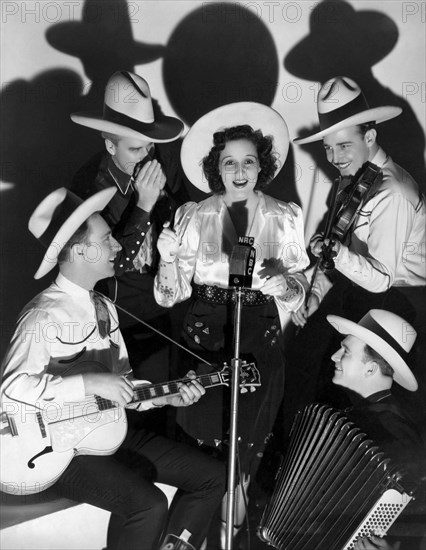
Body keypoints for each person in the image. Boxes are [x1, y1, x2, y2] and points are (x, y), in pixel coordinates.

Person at [0, 187, 225, 550]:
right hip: (55, 452)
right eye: (106, 239)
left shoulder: (105, 306)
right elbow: (11, 390)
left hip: (104, 431)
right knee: (148, 505)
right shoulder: (44, 314)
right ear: (79, 251)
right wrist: (89, 382)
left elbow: (123, 388)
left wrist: (169, 397)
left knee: (214, 477)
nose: (118, 247)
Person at [153, 103, 309, 505]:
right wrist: (168, 259)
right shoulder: (194, 215)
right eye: (229, 163)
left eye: (249, 162)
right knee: (205, 443)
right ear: (216, 168)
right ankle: (202, 524)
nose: (239, 173)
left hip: (261, 333)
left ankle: (235, 521)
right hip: (204, 335)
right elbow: (172, 295)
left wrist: (285, 286)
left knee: (250, 448)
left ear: (262, 166)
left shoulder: (285, 216)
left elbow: (300, 291)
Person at [285, 76, 426, 431]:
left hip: (402, 305)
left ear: (370, 137)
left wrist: (336, 254)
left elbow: (380, 279)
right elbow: (339, 251)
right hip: (363, 291)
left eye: (343, 146)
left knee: (357, 399)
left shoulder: (391, 192)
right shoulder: (353, 181)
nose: (334, 158)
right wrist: (316, 291)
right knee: (306, 360)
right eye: (329, 148)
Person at [70, 70, 187, 382]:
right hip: (117, 318)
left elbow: (187, 226)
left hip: (164, 307)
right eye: (135, 149)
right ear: (110, 147)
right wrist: (144, 204)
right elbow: (107, 264)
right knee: (123, 411)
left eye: (149, 146)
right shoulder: (89, 186)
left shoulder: (163, 160)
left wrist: (166, 202)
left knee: (164, 400)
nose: (146, 156)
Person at [326, 309, 425, 548]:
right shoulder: (355, 414)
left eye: (345, 351)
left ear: (370, 369)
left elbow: (414, 505)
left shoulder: (392, 427)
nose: (334, 356)